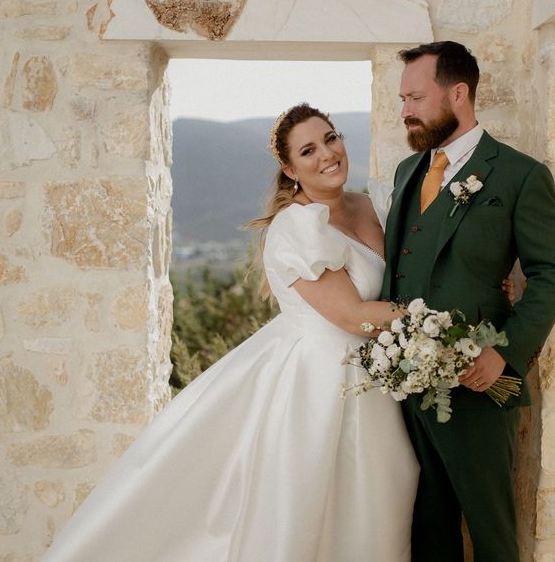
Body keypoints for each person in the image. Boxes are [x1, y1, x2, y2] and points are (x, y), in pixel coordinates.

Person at [43, 103, 419, 562]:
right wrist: (435, 319)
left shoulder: (373, 203)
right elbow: (351, 314)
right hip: (322, 384)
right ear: (289, 168)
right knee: (323, 504)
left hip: (374, 376)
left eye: (331, 137)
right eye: (308, 150)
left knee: (382, 494)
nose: (327, 154)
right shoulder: (300, 227)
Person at [382, 41, 555, 562]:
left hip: (479, 379)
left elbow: (553, 273)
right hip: (407, 383)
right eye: (402, 99)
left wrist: (505, 354)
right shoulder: (407, 172)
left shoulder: (519, 175)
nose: (405, 111)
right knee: (428, 526)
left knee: (490, 528)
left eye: (416, 97)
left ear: (458, 93)